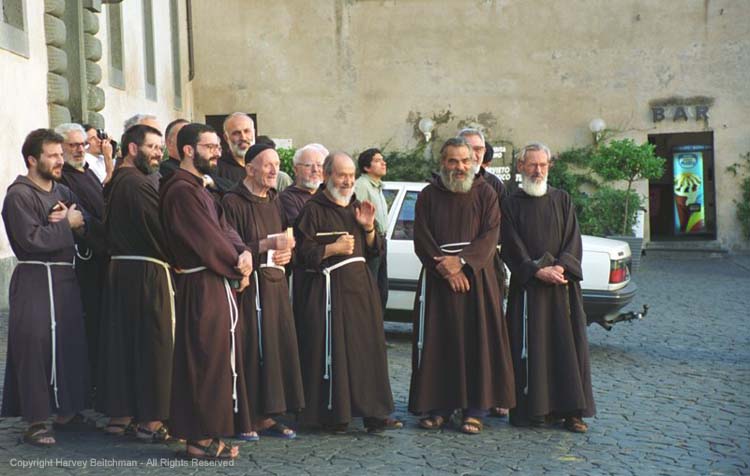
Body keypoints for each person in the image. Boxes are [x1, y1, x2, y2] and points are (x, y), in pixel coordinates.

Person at [408, 137, 515, 434]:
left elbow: (491, 234)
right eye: (453, 161)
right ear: (443, 162)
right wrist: (446, 269)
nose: (459, 167)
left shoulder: (487, 193)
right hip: (439, 278)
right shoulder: (429, 195)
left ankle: (476, 409)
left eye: (465, 161)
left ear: (473, 162)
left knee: (478, 341)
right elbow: (421, 236)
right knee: (440, 343)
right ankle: (439, 407)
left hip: (478, 279)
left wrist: (464, 264)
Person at [160, 122, 254, 460]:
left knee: (216, 357)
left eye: (217, 147)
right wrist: (236, 264)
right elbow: (205, 238)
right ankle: (198, 439)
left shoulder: (200, 188)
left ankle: (210, 432)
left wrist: (243, 253)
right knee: (203, 359)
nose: (217, 153)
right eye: (210, 147)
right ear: (188, 150)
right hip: (202, 286)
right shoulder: (181, 191)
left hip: (215, 283)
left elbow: (224, 227)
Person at [294, 152, 400, 433]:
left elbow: (376, 249)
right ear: (327, 176)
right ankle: (334, 414)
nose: (348, 181)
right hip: (327, 294)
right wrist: (331, 249)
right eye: (342, 175)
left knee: (367, 351)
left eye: (351, 175)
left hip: (361, 292)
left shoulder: (358, 206)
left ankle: (374, 413)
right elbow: (301, 254)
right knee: (333, 352)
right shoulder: (312, 210)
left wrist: (367, 230)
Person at [1, 129, 90, 446]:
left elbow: (83, 220)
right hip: (35, 279)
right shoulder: (18, 196)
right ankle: (36, 420)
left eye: (60, 155)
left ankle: (66, 409)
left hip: (64, 278)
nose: (59, 160)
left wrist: (74, 223)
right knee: (35, 344)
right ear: (32, 159)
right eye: (53, 155)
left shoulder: (63, 190)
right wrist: (67, 225)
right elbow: (31, 240)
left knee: (67, 340)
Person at [501, 142, 595, 433]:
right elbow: (510, 243)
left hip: (562, 289)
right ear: (521, 167)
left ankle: (571, 412)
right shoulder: (510, 203)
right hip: (528, 289)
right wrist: (535, 270)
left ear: (549, 167)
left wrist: (562, 267)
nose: (538, 170)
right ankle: (534, 411)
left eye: (543, 165)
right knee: (530, 348)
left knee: (569, 348)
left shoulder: (562, 199)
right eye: (532, 165)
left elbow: (573, 239)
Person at [222, 143, 305, 441]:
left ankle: (268, 415)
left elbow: (286, 241)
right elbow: (228, 244)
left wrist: (286, 255)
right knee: (248, 351)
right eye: (267, 165)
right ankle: (245, 416)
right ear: (250, 169)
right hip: (247, 289)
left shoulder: (275, 200)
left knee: (272, 350)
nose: (274, 171)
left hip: (274, 287)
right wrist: (265, 246)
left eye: (276, 165)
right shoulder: (231, 201)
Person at [96, 124, 173, 442]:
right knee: (154, 346)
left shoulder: (119, 181)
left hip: (123, 272)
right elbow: (159, 230)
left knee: (123, 345)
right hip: (146, 273)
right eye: (152, 147)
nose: (158, 153)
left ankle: (122, 414)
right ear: (131, 148)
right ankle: (151, 421)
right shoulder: (137, 184)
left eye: (160, 148)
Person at [457, 128, 510, 419]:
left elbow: (499, 229)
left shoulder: (493, 186)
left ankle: (494, 395)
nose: (476, 154)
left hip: (487, 269)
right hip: (450, 272)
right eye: (469, 148)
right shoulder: (443, 181)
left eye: (479, 149)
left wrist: (469, 260)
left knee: (490, 334)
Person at [56, 123, 108, 398]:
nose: (79, 150)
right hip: (83, 258)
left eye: (82, 145)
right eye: (72, 145)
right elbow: (78, 218)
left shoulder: (86, 172)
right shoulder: (62, 179)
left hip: (99, 256)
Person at [354, 148, 390, 317]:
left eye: (383, 159)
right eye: (377, 160)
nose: (383, 163)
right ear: (366, 167)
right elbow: (358, 214)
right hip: (370, 240)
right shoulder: (362, 185)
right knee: (372, 287)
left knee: (382, 288)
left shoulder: (378, 187)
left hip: (382, 239)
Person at [279, 143, 328, 226]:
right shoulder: (287, 198)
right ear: (296, 169)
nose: (315, 170)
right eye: (308, 165)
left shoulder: (328, 194)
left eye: (319, 165)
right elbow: (300, 230)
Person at [159, 118, 189, 183]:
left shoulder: (200, 165)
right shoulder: (167, 170)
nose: (190, 141)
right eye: (184, 137)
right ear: (169, 143)